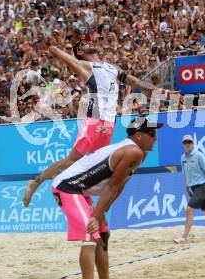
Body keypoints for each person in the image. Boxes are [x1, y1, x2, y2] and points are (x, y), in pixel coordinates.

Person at [23, 38, 159, 206]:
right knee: (72, 161)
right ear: (80, 51)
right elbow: (52, 49)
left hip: (109, 123)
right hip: (94, 119)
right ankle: (36, 182)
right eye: (84, 43)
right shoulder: (85, 66)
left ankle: (83, 196)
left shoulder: (112, 67)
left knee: (94, 166)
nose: (89, 42)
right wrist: (70, 57)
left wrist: (160, 91)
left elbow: (136, 82)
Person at [52, 117, 163, 279]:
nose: (155, 137)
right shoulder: (132, 151)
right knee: (90, 234)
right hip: (67, 187)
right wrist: (96, 216)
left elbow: (119, 186)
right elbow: (111, 186)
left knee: (103, 233)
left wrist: (102, 213)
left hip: (81, 189)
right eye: (152, 133)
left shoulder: (139, 153)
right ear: (138, 135)